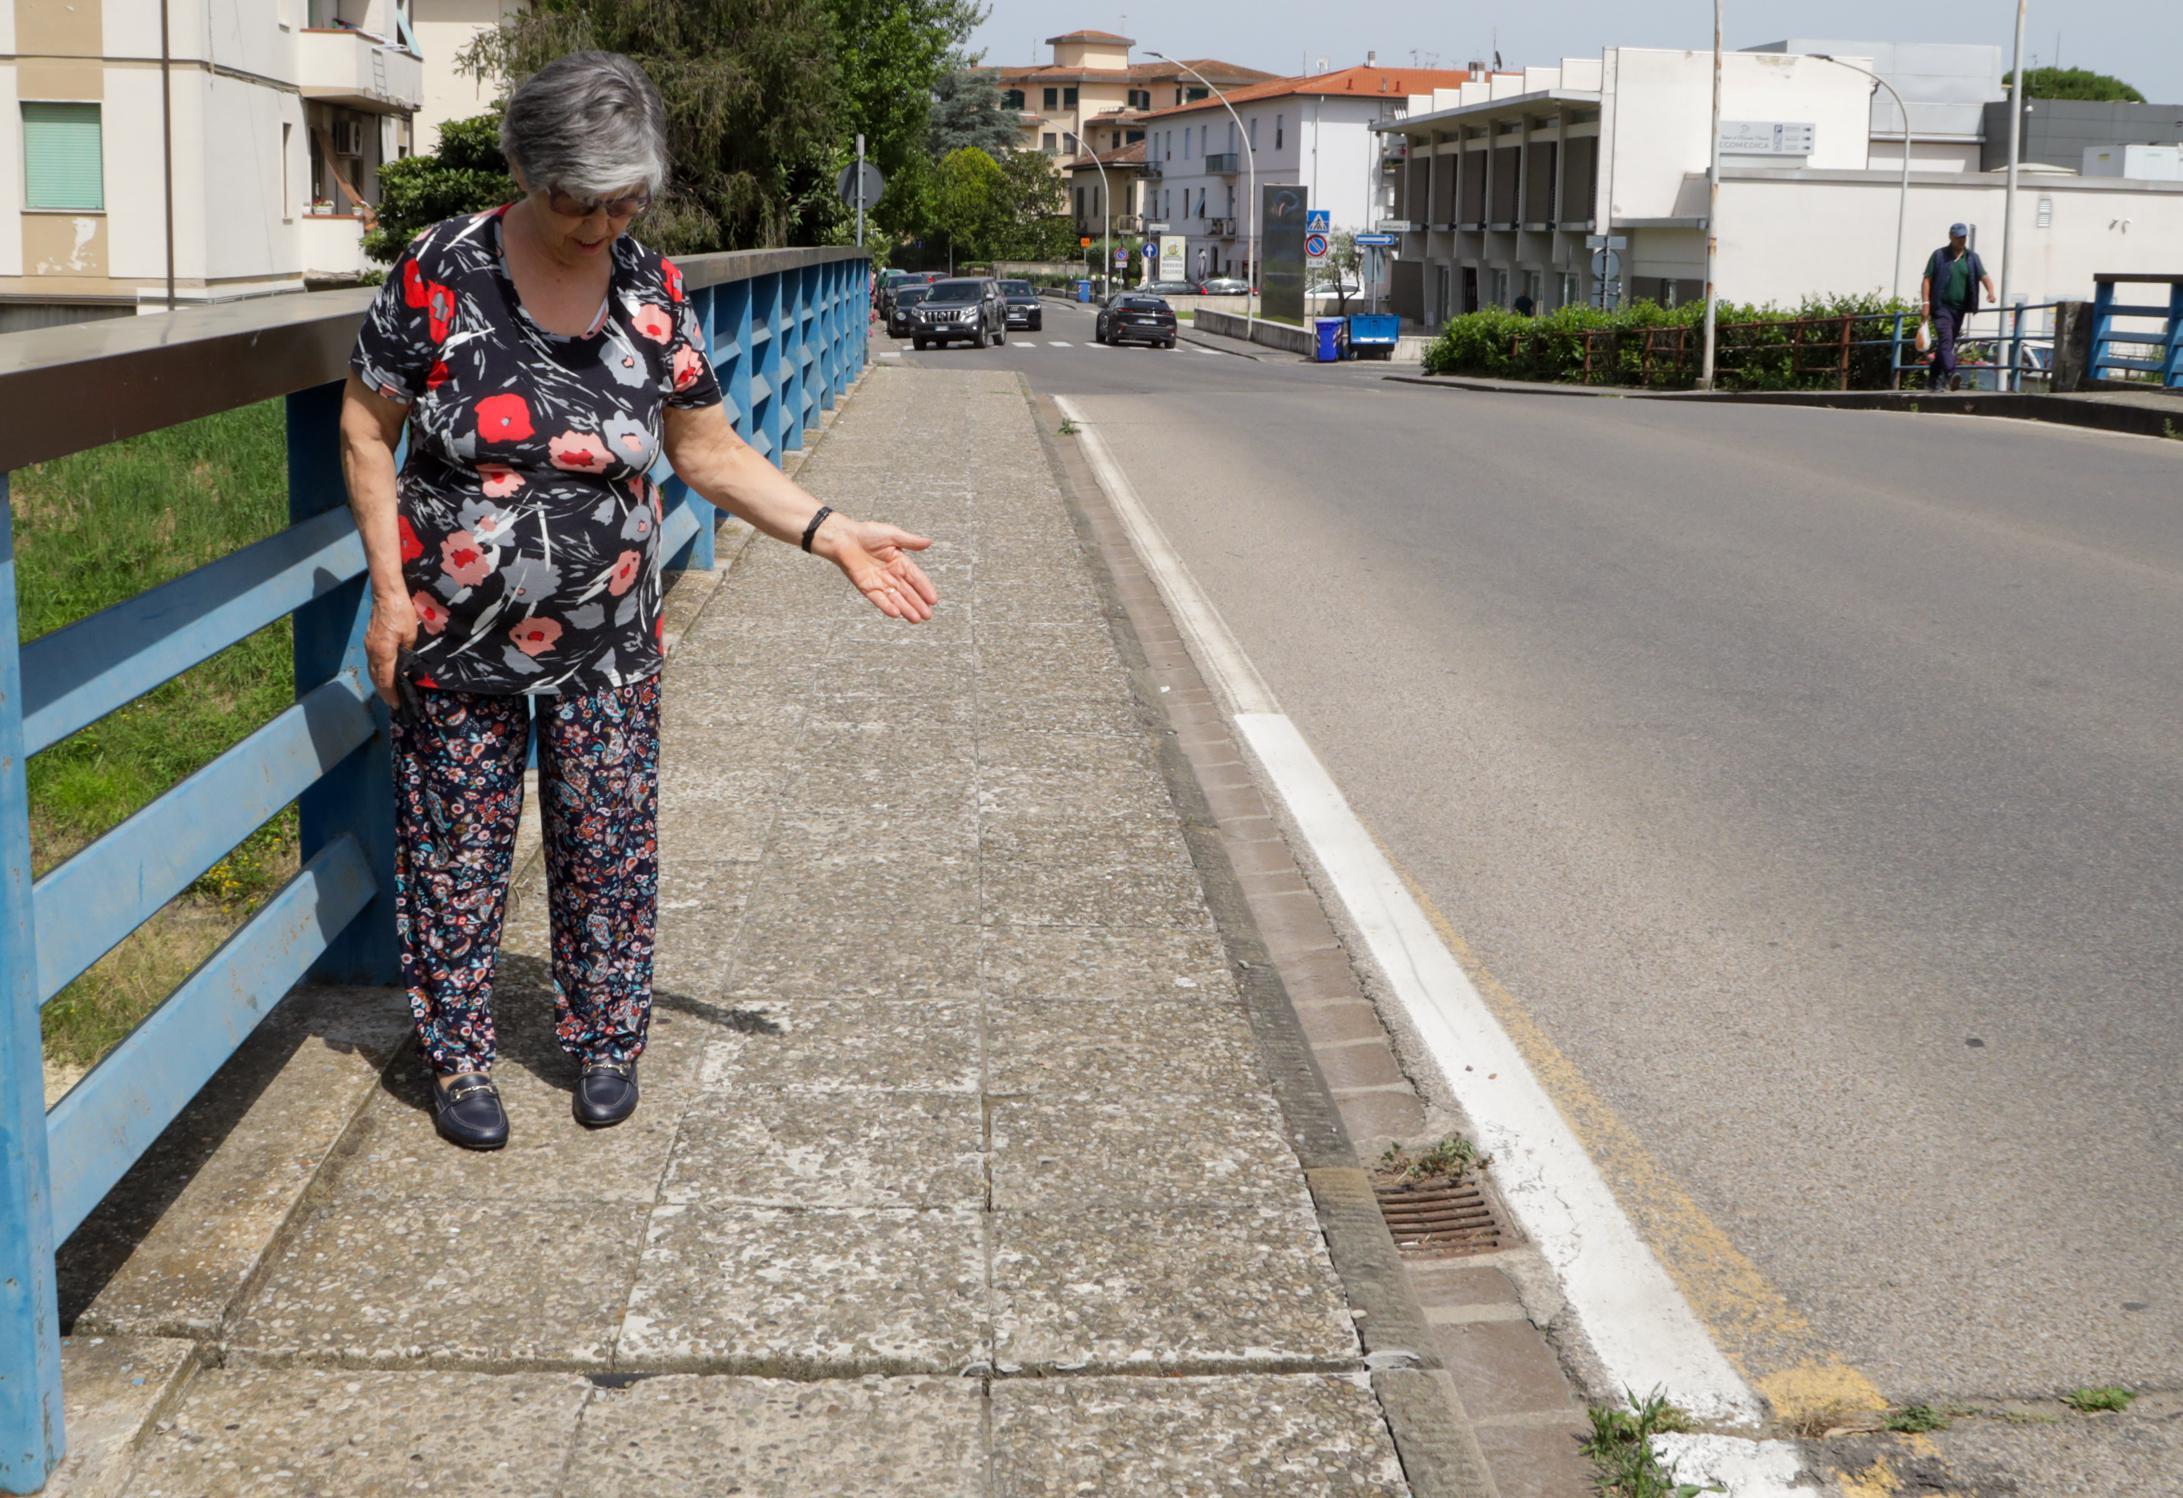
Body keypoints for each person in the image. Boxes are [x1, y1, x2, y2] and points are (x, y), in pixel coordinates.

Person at [339, 51, 938, 1150]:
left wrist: (827, 530)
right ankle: (461, 1056)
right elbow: (365, 429)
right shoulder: (438, 270)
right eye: (581, 201)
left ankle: (606, 1037)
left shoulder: (650, 290)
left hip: (609, 636)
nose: (602, 224)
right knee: (453, 848)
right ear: (525, 167)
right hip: (452, 630)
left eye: (626, 202)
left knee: (606, 838)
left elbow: (706, 452)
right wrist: (385, 594)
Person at [1920, 222, 1995, 391]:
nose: (1962, 240)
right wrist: (1926, 302)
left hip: (1959, 309)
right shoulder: (1939, 255)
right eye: (1958, 237)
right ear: (1951, 237)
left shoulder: (1972, 258)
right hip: (1941, 307)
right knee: (1946, 340)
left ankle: (1932, 380)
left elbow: (1984, 276)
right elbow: (1927, 279)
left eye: (1964, 237)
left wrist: (1990, 291)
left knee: (1946, 344)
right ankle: (1951, 374)